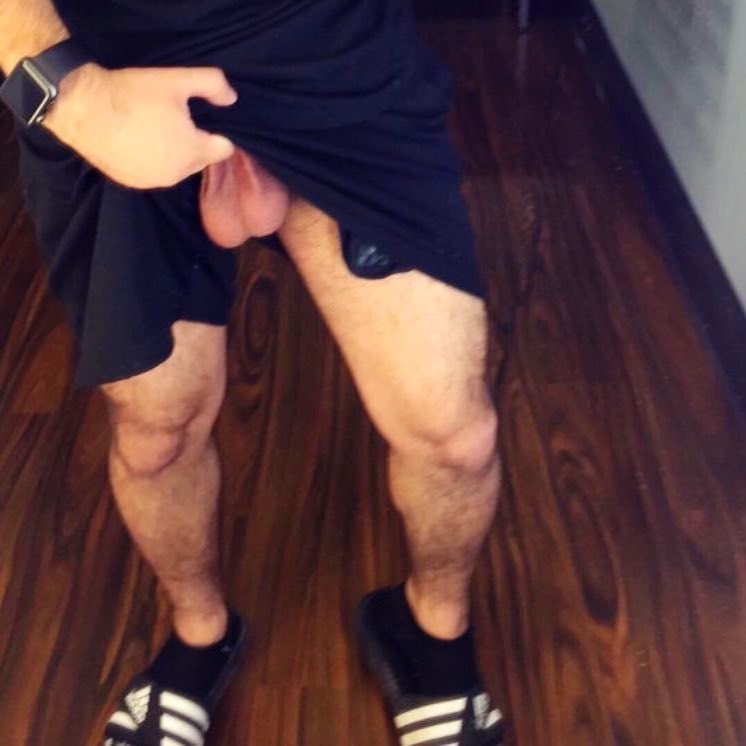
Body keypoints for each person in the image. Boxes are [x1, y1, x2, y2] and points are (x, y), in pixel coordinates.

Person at [0, 0, 505, 743]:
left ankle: (431, 631)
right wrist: (69, 91)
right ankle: (200, 634)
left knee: (454, 436)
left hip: (329, 61)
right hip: (111, 78)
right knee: (157, 436)